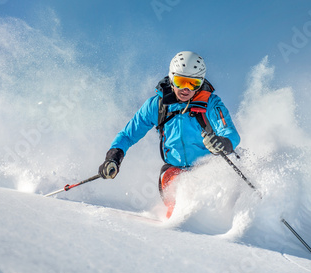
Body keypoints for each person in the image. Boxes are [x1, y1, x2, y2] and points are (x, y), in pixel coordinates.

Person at [98, 51, 240, 218]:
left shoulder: (210, 104)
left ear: (200, 83)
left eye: (193, 83)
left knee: (216, 200)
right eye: (180, 81)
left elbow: (230, 133)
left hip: (209, 166)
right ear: (171, 78)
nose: (186, 89)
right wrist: (113, 156)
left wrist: (223, 142)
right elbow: (128, 134)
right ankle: (178, 228)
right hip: (175, 169)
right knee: (177, 192)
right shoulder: (157, 106)